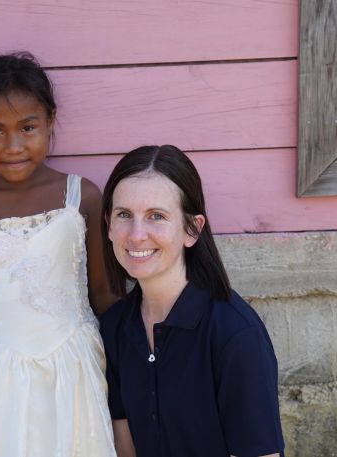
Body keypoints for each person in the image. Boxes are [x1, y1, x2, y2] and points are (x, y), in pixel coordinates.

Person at [0, 52, 117, 457]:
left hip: (74, 368)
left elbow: (104, 294)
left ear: (51, 121)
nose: (14, 146)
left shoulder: (82, 198)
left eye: (28, 127)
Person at [99, 145, 285, 457]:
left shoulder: (234, 333)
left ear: (192, 229)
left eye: (156, 216)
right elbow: (125, 448)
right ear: (108, 225)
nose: (136, 234)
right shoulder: (113, 327)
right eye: (124, 215)